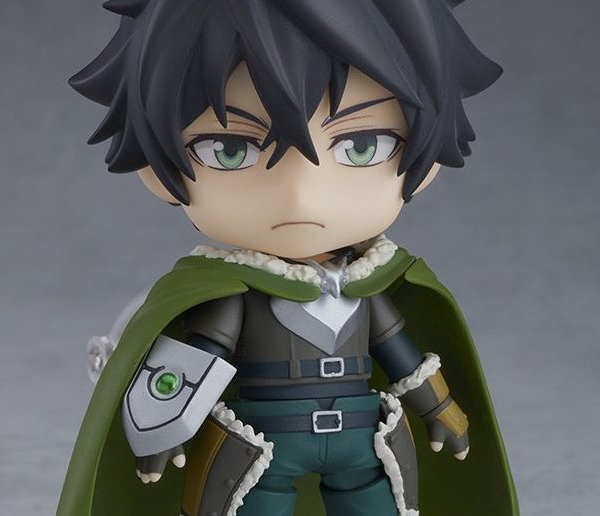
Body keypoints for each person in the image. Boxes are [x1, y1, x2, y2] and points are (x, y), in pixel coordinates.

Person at [57, 1, 519, 515]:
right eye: (230, 150)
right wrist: (164, 429)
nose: (301, 196)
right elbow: (198, 359)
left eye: (362, 145)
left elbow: (400, 353)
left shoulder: (368, 284)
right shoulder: (232, 294)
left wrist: (441, 407)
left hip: (362, 436)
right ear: (153, 169)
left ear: (426, 164)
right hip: (264, 443)